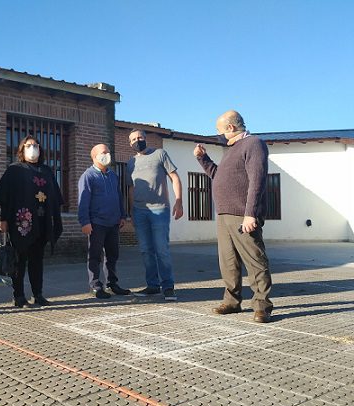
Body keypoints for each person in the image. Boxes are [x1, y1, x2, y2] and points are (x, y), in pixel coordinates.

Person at [194, 110, 274, 323]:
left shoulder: (254, 144)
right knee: (228, 262)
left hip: (242, 215)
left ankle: (262, 306)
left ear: (230, 128)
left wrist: (250, 214)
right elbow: (217, 176)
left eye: (219, 130)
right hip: (224, 215)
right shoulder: (231, 149)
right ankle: (232, 301)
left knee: (255, 260)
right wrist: (203, 159)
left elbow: (257, 181)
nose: (218, 134)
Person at [0, 135, 63, 308]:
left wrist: (55, 218)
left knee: (37, 260)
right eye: (28, 145)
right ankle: (19, 296)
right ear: (22, 150)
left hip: (42, 222)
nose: (33, 148)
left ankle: (38, 294)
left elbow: (55, 197)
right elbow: (5, 197)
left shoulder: (46, 171)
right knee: (20, 260)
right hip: (22, 223)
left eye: (36, 145)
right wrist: (3, 220)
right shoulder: (14, 170)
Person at [126, 129, 183, 300]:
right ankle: (152, 285)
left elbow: (175, 177)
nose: (138, 140)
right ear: (130, 144)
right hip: (140, 211)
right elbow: (130, 188)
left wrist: (179, 201)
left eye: (140, 137)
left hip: (159, 210)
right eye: (134, 139)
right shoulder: (131, 162)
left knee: (161, 249)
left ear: (146, 138)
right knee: (145, 250)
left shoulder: (160, 154)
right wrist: (131, 211)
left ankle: (168, 286)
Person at [78, 144, 131, 299]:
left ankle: (112, 283)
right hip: (96, 223)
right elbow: (83, 201)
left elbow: (119, 196)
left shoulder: (113, 176)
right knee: (94, 255)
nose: (107, 154)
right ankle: (95, 285)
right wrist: (85, 222)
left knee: (112, 255)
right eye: (103, 152)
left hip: (113, 223)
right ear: (94, 156)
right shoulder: (88, 176)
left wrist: (122, 215)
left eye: (108, 152)